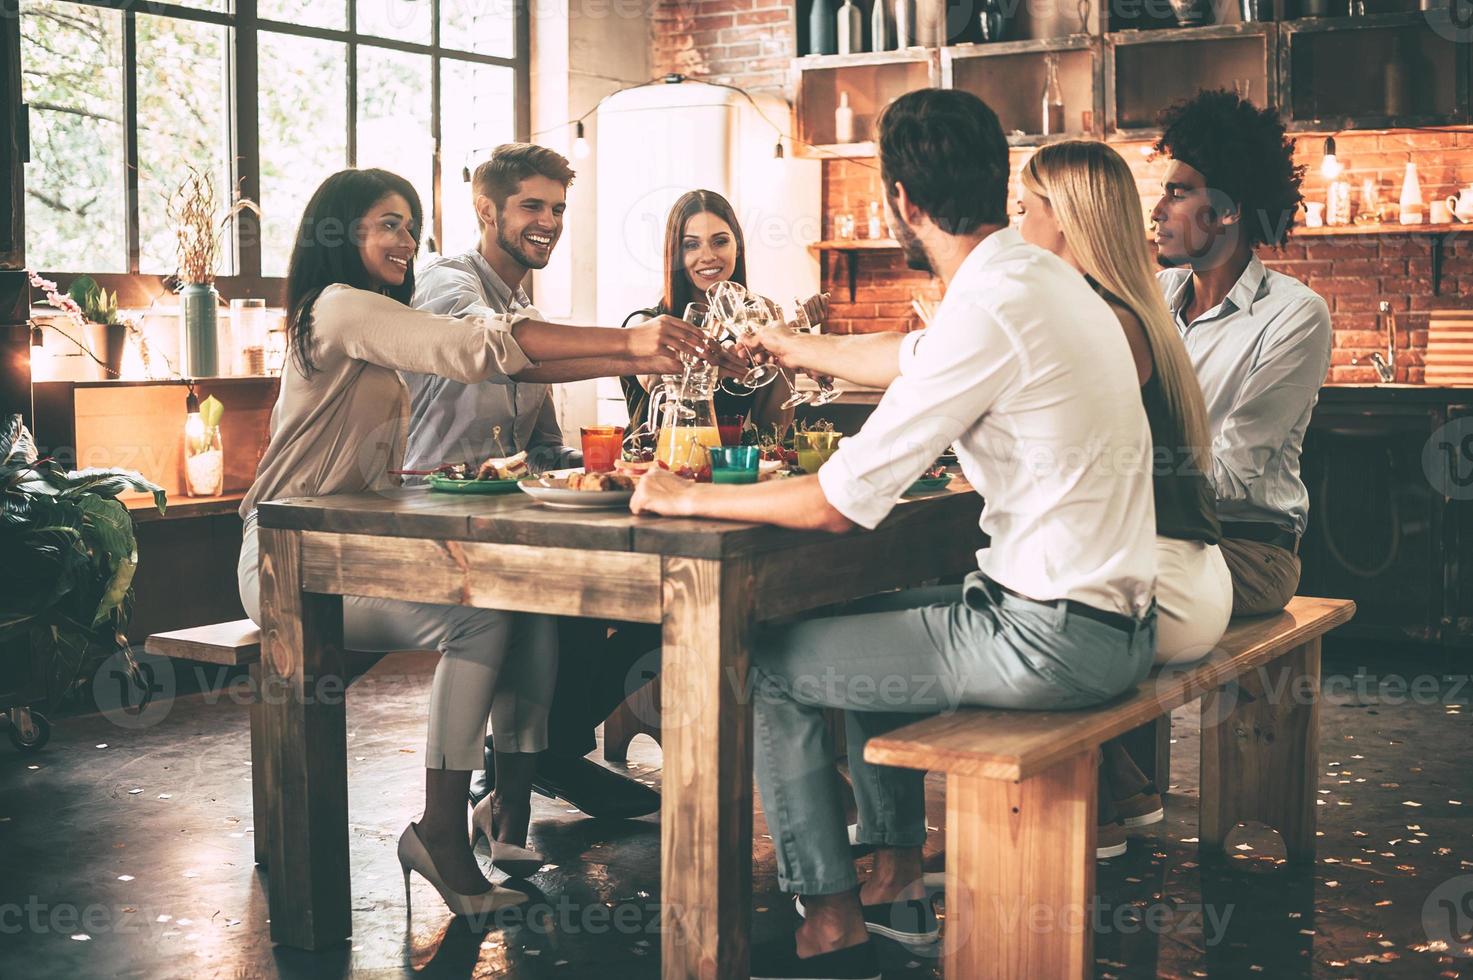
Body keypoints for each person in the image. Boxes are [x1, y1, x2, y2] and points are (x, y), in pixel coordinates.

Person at [631, 89, 1159, 980]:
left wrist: (683, 501)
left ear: (902, 203)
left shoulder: (988, 304)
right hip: (1110, 623)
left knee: (762, 663)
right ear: (996, 182)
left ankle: (829, 916)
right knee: (870, 607)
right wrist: (794, 349)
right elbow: (910, 359)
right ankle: (894, 881)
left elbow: (837, 502)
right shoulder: (1032, 279)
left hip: (1049, 641)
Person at [236, 167, 707, 918]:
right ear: (340, 229)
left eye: (410, 225)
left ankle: (504, 814)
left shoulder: (369, 317)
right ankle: (440, 833)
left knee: (517, 603)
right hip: (284, 561)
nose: (405, 239)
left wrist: (637, 357)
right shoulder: (336, 309)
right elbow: (476, 349)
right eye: (387, 223)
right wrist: (627, 340)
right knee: (483, 613)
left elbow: (519, 360)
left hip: (352, 549)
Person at [401, 143, 661, 821]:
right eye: (532, 206)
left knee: (641, 597)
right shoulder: (446, 283)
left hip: (506, 523)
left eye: (558, 208)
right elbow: (496, 345)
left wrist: (602, 467)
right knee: (571, 600)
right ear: (486, 209)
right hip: (426, 519)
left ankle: (546, 753)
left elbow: (540, 447)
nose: (547, 220)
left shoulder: (522, 303)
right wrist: (633, 343)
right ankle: (539, 758)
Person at [1016, 139, 1233, 857]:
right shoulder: (1127, 308)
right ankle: (1123, 785)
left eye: (1025, 210)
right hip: (1188, 572)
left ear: (1064, 221)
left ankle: (1084, 815)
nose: (1017, 230)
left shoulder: (1103, 322)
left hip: (1162, 590)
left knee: (988, 614)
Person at [1149, 89, 1332, 617]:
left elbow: (1230, 479)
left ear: (1228, 212)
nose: (1157, 211)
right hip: (1159, 536)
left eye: (1178, 194)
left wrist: (1111, 473)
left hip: (1249, 552)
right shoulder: (1154, 296)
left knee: (1083, 593)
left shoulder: (1294, 315)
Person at [621, 189, 796, 435]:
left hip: (727, 469)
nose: (708, 256)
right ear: (677, 255)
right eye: (692, 245)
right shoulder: (645, 323)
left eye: (720, 241)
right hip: (653, 465)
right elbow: (664, 396)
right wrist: (712, 369)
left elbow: (771, 431)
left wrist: (785, 353)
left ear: (737, 247)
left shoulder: (752, 326)